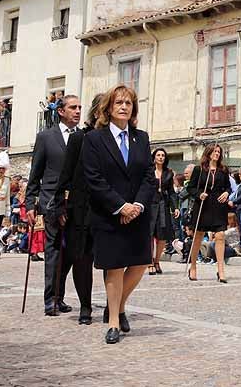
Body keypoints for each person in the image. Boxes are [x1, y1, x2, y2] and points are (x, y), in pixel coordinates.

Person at [81, 85, 157, 344]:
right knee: (114, 267)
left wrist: (136, 206)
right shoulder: (94, 139)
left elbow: (149, 176)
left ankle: (119, 305)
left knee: (138, 264)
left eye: (128, 103)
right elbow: (94, 178)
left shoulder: (142, 138)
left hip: (138, 213)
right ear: (108, 108)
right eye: (119, 103)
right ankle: (114, 321)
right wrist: (120, 206)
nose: (124, 107)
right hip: (108, 214)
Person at [26, 94, 82, 316]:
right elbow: (35, 173)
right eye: (72, 107)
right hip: (52, 201)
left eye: (79, 107)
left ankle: (59, 295)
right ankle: (50, 299)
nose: (77, 111)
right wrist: (30, 202)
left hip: (75, 204)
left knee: (70, 252)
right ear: (61, 111)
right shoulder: (46, 137)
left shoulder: (83, 137)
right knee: (53, 250)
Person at [55, 93, 105, 324]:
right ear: (97, 112)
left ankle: (114, 306)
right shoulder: (78, 139)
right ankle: (85, 306)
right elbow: (65, 175)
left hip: (108, 208)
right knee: (82, 258)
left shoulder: (118, 141)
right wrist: (60, 207)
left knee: (111, 260)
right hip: (81, 207)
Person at [185, 144, 231, 282]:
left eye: (219, 152)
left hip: (218, 205)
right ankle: (193, 266)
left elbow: (228, 186)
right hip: (203, 206)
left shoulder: (223, 170)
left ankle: (221, 270)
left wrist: (226, 192)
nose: (217, 154)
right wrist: (199, 194)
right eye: (214, 151)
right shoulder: (199, 170)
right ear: (209, 153)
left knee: (220, 235)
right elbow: (190, 188)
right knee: (198, 236)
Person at [148, 148, 178, 274]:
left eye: (163, 156)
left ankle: (157, 261)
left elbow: (171, 192)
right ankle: (149, 262)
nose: (160, 157)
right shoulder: (148, 172)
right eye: (158, 155)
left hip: (163, 206)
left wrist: (175, 207)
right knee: (149, 235)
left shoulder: (168, 173)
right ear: (154, 157)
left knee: (162, 236)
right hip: (150, 205)